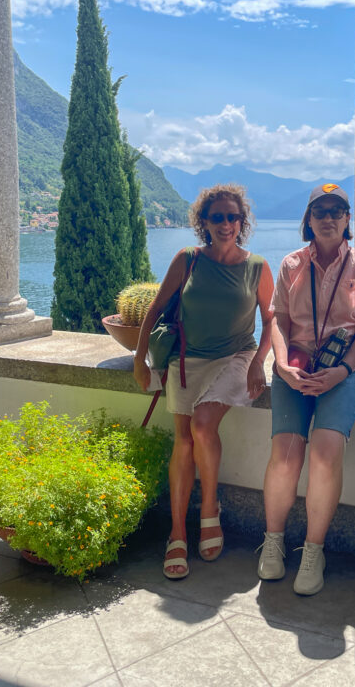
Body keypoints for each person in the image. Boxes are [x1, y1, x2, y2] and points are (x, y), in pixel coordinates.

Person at [133, 184, 274, 580]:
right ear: (204, 222)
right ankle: (178, 531)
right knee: (183, 439)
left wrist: (259, 362)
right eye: (218, 217)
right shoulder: (188, 259)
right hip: (185, 362)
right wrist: (140, 359)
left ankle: (209, 509)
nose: (226, 224)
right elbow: (155, 309)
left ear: (242, 222)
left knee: (201, 425)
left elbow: (272, 318)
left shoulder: (258, 266)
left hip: (235, 358)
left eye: (233, 217)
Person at [257, 183, 355, 596]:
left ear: (348, 220)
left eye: (337, 210)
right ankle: (274, 542)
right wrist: (279, 364)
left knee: (326, 452)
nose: (328, 217)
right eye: (320, 211)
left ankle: (314, 550)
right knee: (286, 453)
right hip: (295, 367)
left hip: (345, 371)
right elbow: (277, 320)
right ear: (308, 220)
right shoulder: (292, 264)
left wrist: (342, 370)